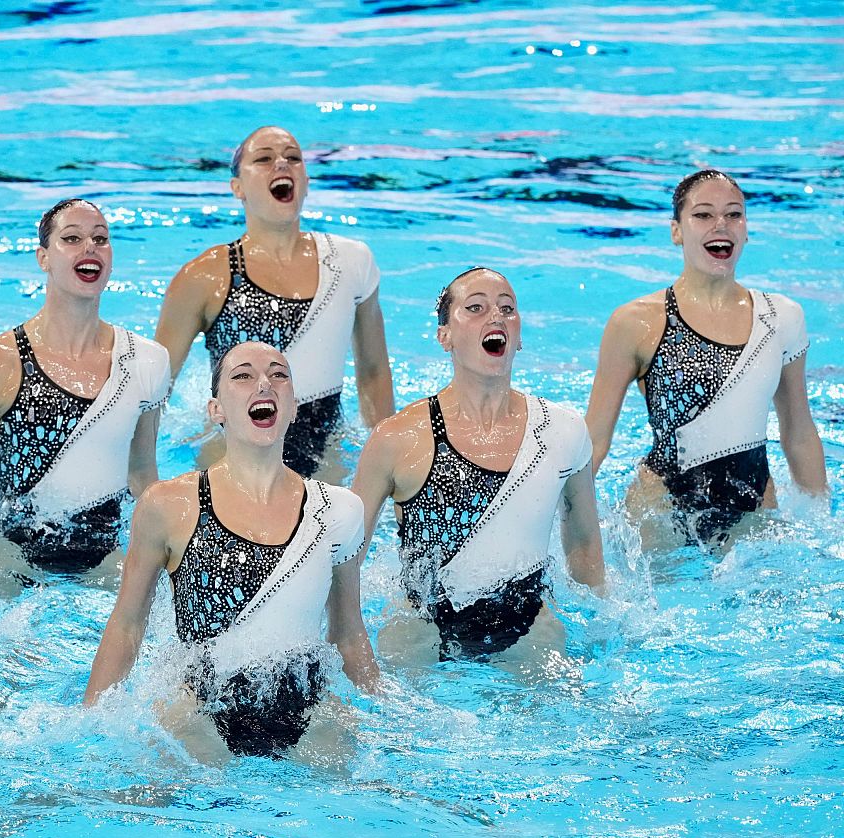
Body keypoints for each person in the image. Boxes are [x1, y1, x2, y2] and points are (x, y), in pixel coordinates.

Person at [84, 342, 379, 760]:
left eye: (279, 375)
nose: (264, 384)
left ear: (294, 407)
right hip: (199, 712)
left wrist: (385, 716)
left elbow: (348, 634)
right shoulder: (171, 505)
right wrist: (90, 728)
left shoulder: (338, 511)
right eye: (243, 376)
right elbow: (127, 624)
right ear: (216, 410)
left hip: (308, 713)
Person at [353, 268, 605, 663]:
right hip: (422, 625)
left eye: (507, 309)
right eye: (475, 308)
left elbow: (585, 544)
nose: (495, 317)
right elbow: (346, 557)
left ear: (518, 336)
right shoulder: (397, 439)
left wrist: (599, 632)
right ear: (445, 336)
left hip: (530, 624)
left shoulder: (562, 431)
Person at [585, 169, 827, 545]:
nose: (721, 224)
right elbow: (596, 439)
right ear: (676, 231)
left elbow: (798, 431)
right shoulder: (636, 322)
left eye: (734, 214)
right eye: (703, 214)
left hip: (753, 509)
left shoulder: (780, 318)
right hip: (662, 511)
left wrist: (822, 527)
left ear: (746, 229)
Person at [0, 199, 170, 575]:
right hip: (9, 557)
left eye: (100, 239)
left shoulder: (145, 361)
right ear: (43, 258)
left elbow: (142, 475)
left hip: (104, 558)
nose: (90, 247)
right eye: (72, 238)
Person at [157, 125, 393, 480]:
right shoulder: (204, 277)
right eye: (264, 159)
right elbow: (157, 387)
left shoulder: (350, 262)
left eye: (293, 158)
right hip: (230, 453)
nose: (282, 164)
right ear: (237, 187)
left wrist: (387, 460)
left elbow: (373, 371)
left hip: (325, 450)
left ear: (306, 181)